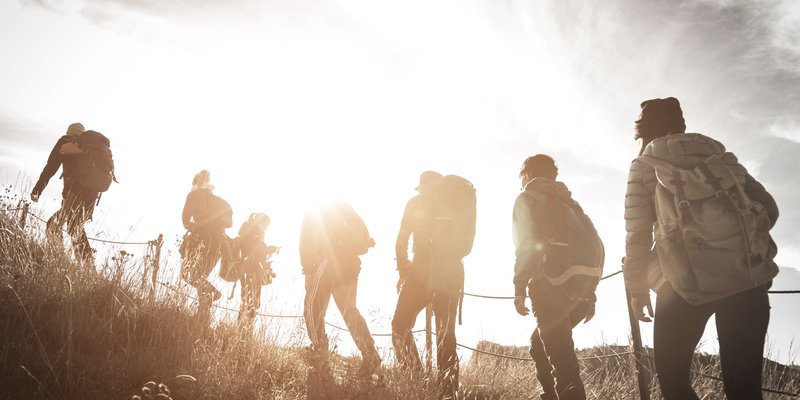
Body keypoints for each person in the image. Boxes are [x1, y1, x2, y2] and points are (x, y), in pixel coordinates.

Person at [624, 97, 779, 400]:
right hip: (746, 279)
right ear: (681, 124)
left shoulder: (645, 165)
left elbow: (637, 235)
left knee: (673, 380)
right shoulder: (720, 157)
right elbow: (768, 208)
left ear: (643, 131)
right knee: (745, 389)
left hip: (683, 285)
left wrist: (637, 288)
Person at [512, 155, 603, 400]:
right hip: (581, 289)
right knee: (540, 346)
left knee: (562, 361)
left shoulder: (527, 198)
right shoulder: (570, 202)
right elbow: (589, 247)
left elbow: (526, 244)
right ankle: (550, 396)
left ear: (527, 175)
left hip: (549, 285)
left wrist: (519, 287)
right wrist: (591, 293)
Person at [392, 171, 476, 400]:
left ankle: (415, 379)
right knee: (446, 336)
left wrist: (402, 269)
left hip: (418, 273)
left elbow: (401, 241)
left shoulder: (415, 203)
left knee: (400, 326)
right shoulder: (454, 205)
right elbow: (466, 247)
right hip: (450, 273)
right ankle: (448, 392)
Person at [299, 200, 381, 376]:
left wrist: (307, 270)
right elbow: (364, 239)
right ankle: (370, 354)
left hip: (327, 262)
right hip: (350, 264)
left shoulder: (314, 207)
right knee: (349, 310)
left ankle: (320, 353)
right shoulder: (346, 207)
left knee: (313, 309)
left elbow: (305, 240)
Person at [30, 122, 97, 264]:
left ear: (69, 132)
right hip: (91, 196)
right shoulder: (90, 149)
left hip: (74, 194)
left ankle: (60, 260)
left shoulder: (65, 142)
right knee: (75, 228)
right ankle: (86, 264)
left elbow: (50, 167)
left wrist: (37, 189)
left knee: (54, 226)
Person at [180, 170, 232, 304]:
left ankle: (212, 293)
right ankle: (203, 312)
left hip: (201, 240)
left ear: (196, 182)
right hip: (219, 243)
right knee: (200, 276)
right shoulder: (222, 202)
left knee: (188, 274)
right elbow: (229, 223)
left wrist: (190, 226)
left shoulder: (194, 195)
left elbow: (185, 218)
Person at [233, 212, 278, 324]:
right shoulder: (255, 234)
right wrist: (270, 249)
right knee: (251, 298)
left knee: (247, 297)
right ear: (259, 222)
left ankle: (243, 323)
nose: (266, 228)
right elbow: (255, 250)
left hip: (247, 268)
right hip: (252, 269)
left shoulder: (249, 232)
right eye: (265, 225)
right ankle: (246, 325)